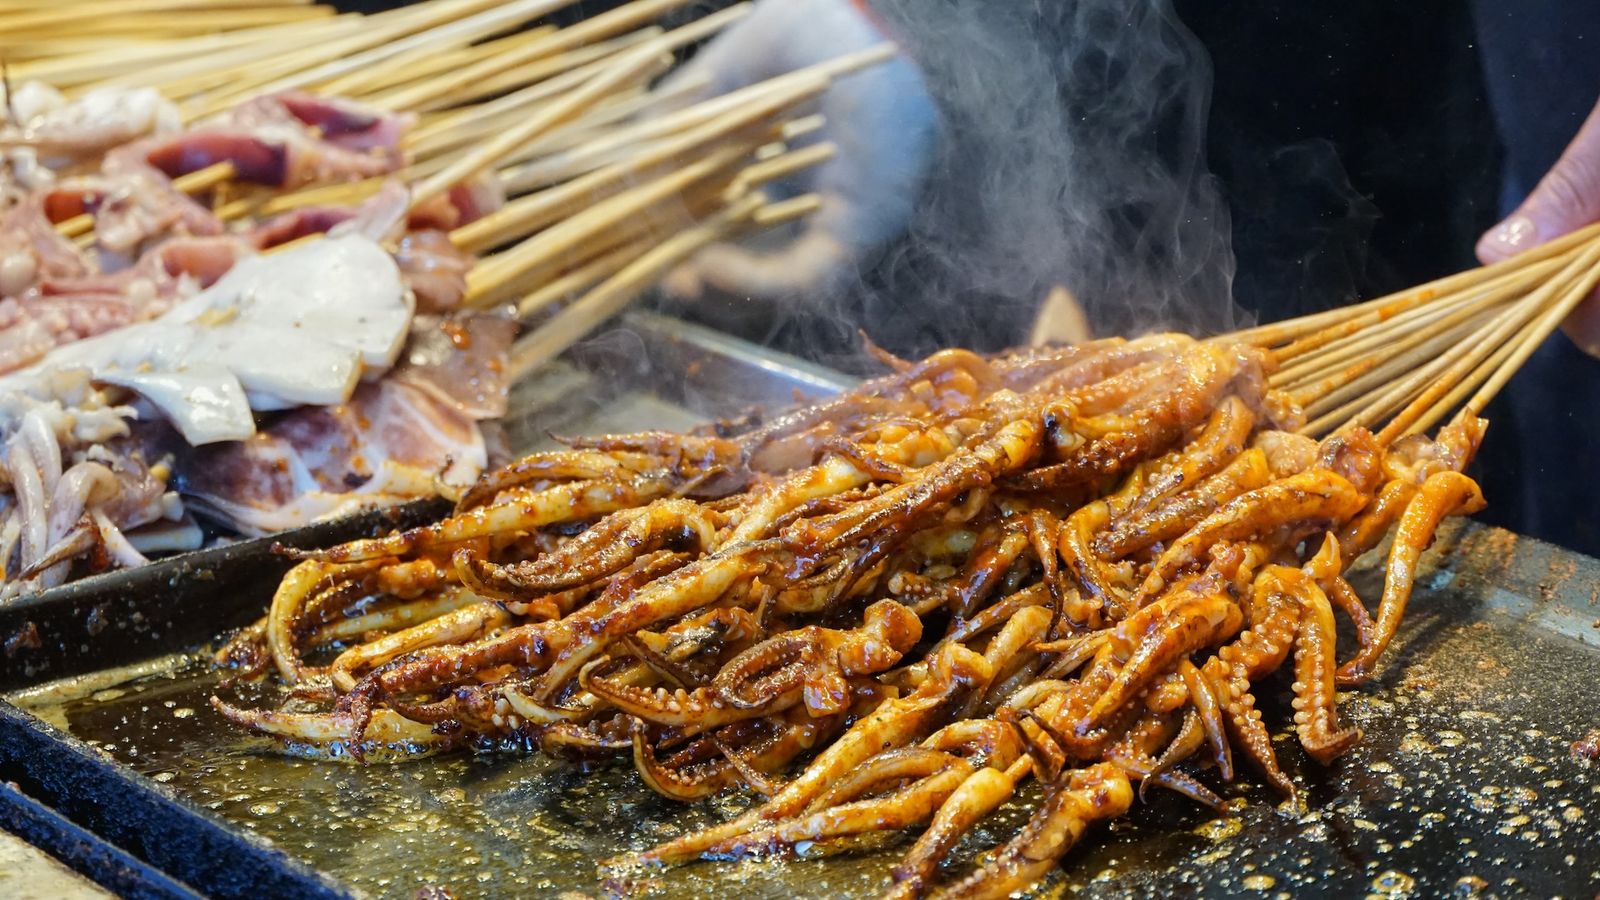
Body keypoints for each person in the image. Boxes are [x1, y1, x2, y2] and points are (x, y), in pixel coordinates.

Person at [663, 0, 1600, 555]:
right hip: (1053, 49)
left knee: (1434, 432)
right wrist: (889, 14)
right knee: (1042, 442)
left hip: (1375, 66)